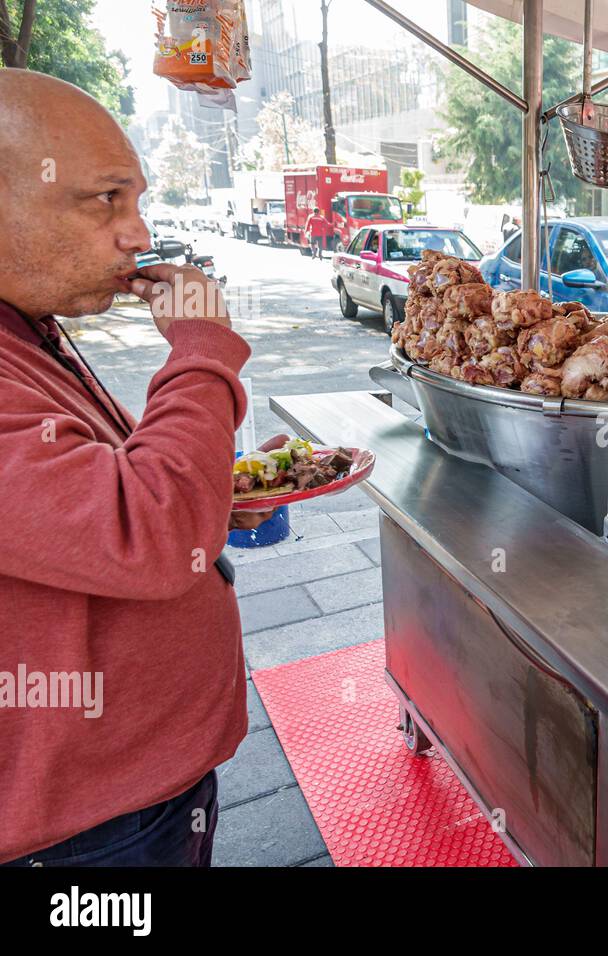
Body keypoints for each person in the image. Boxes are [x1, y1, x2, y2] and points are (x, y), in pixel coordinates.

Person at [0, 70, 274, 866]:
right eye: (106, 200)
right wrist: (201, 345)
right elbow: (145, 528)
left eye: (137, 201)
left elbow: (89, 493)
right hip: (84, 831)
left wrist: (207, 497)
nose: (135, 233)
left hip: (131, 792)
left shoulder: (28, 326)